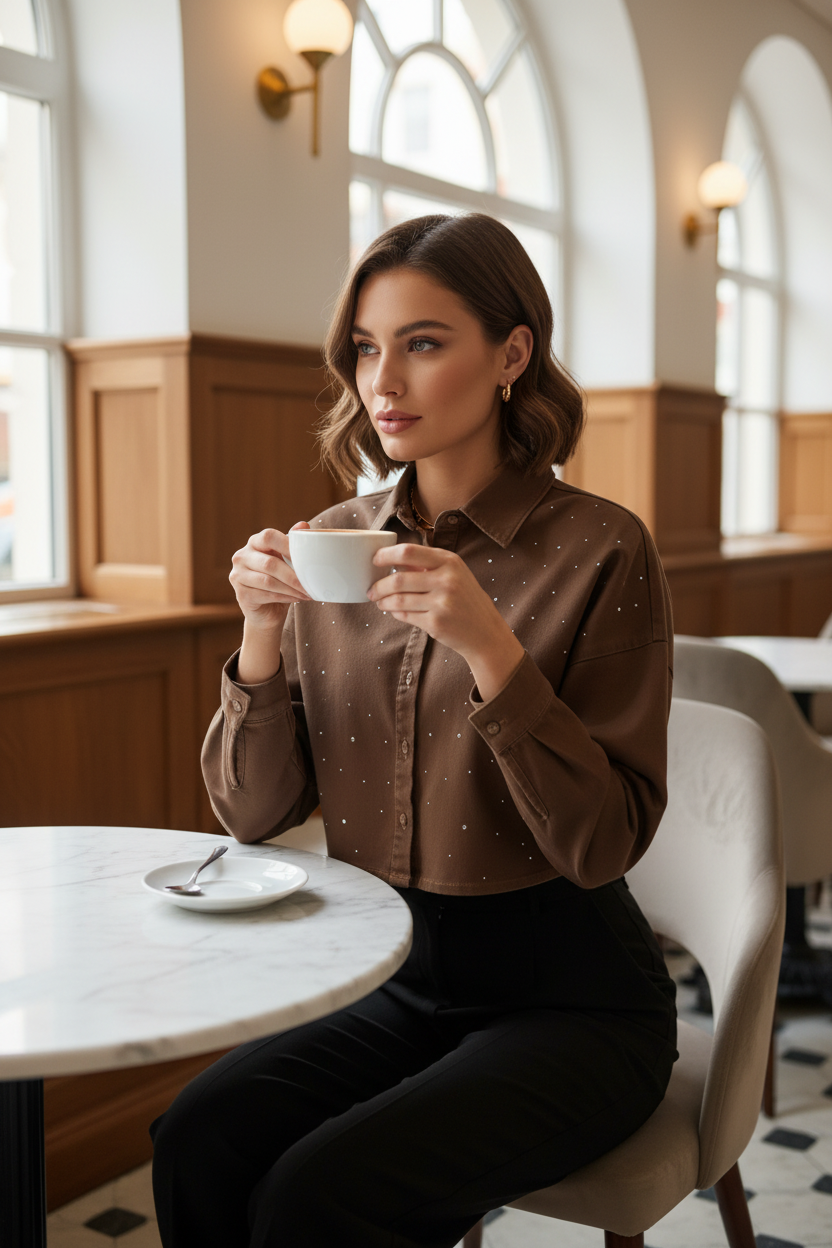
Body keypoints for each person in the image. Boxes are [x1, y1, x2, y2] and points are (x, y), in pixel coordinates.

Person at [151, 213, 677, 1248]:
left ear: (512, 355)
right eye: (364, 347)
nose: (381, 381)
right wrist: (261, 635)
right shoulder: (331, 544)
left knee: (314, 1200)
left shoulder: (603, 547)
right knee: (196, 1140)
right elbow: (252, 816)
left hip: (573, 1000)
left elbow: (603, 843)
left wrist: (490, 649)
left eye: (422, 342)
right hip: (389, 975)